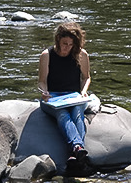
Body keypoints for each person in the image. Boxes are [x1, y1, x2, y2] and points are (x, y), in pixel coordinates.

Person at [38, 22, 91, 165]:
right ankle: (78, 149)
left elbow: (86, 77)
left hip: (74, 96)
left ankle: (75, 151)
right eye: (64, 43)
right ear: (57, 40)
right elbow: (42, 81)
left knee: (77, 114)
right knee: (62, 114)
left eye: (71, 44)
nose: (67, 48)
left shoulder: (81, 54)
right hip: (53, 97)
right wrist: (44, 92)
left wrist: (83, 92)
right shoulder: (47, 55)